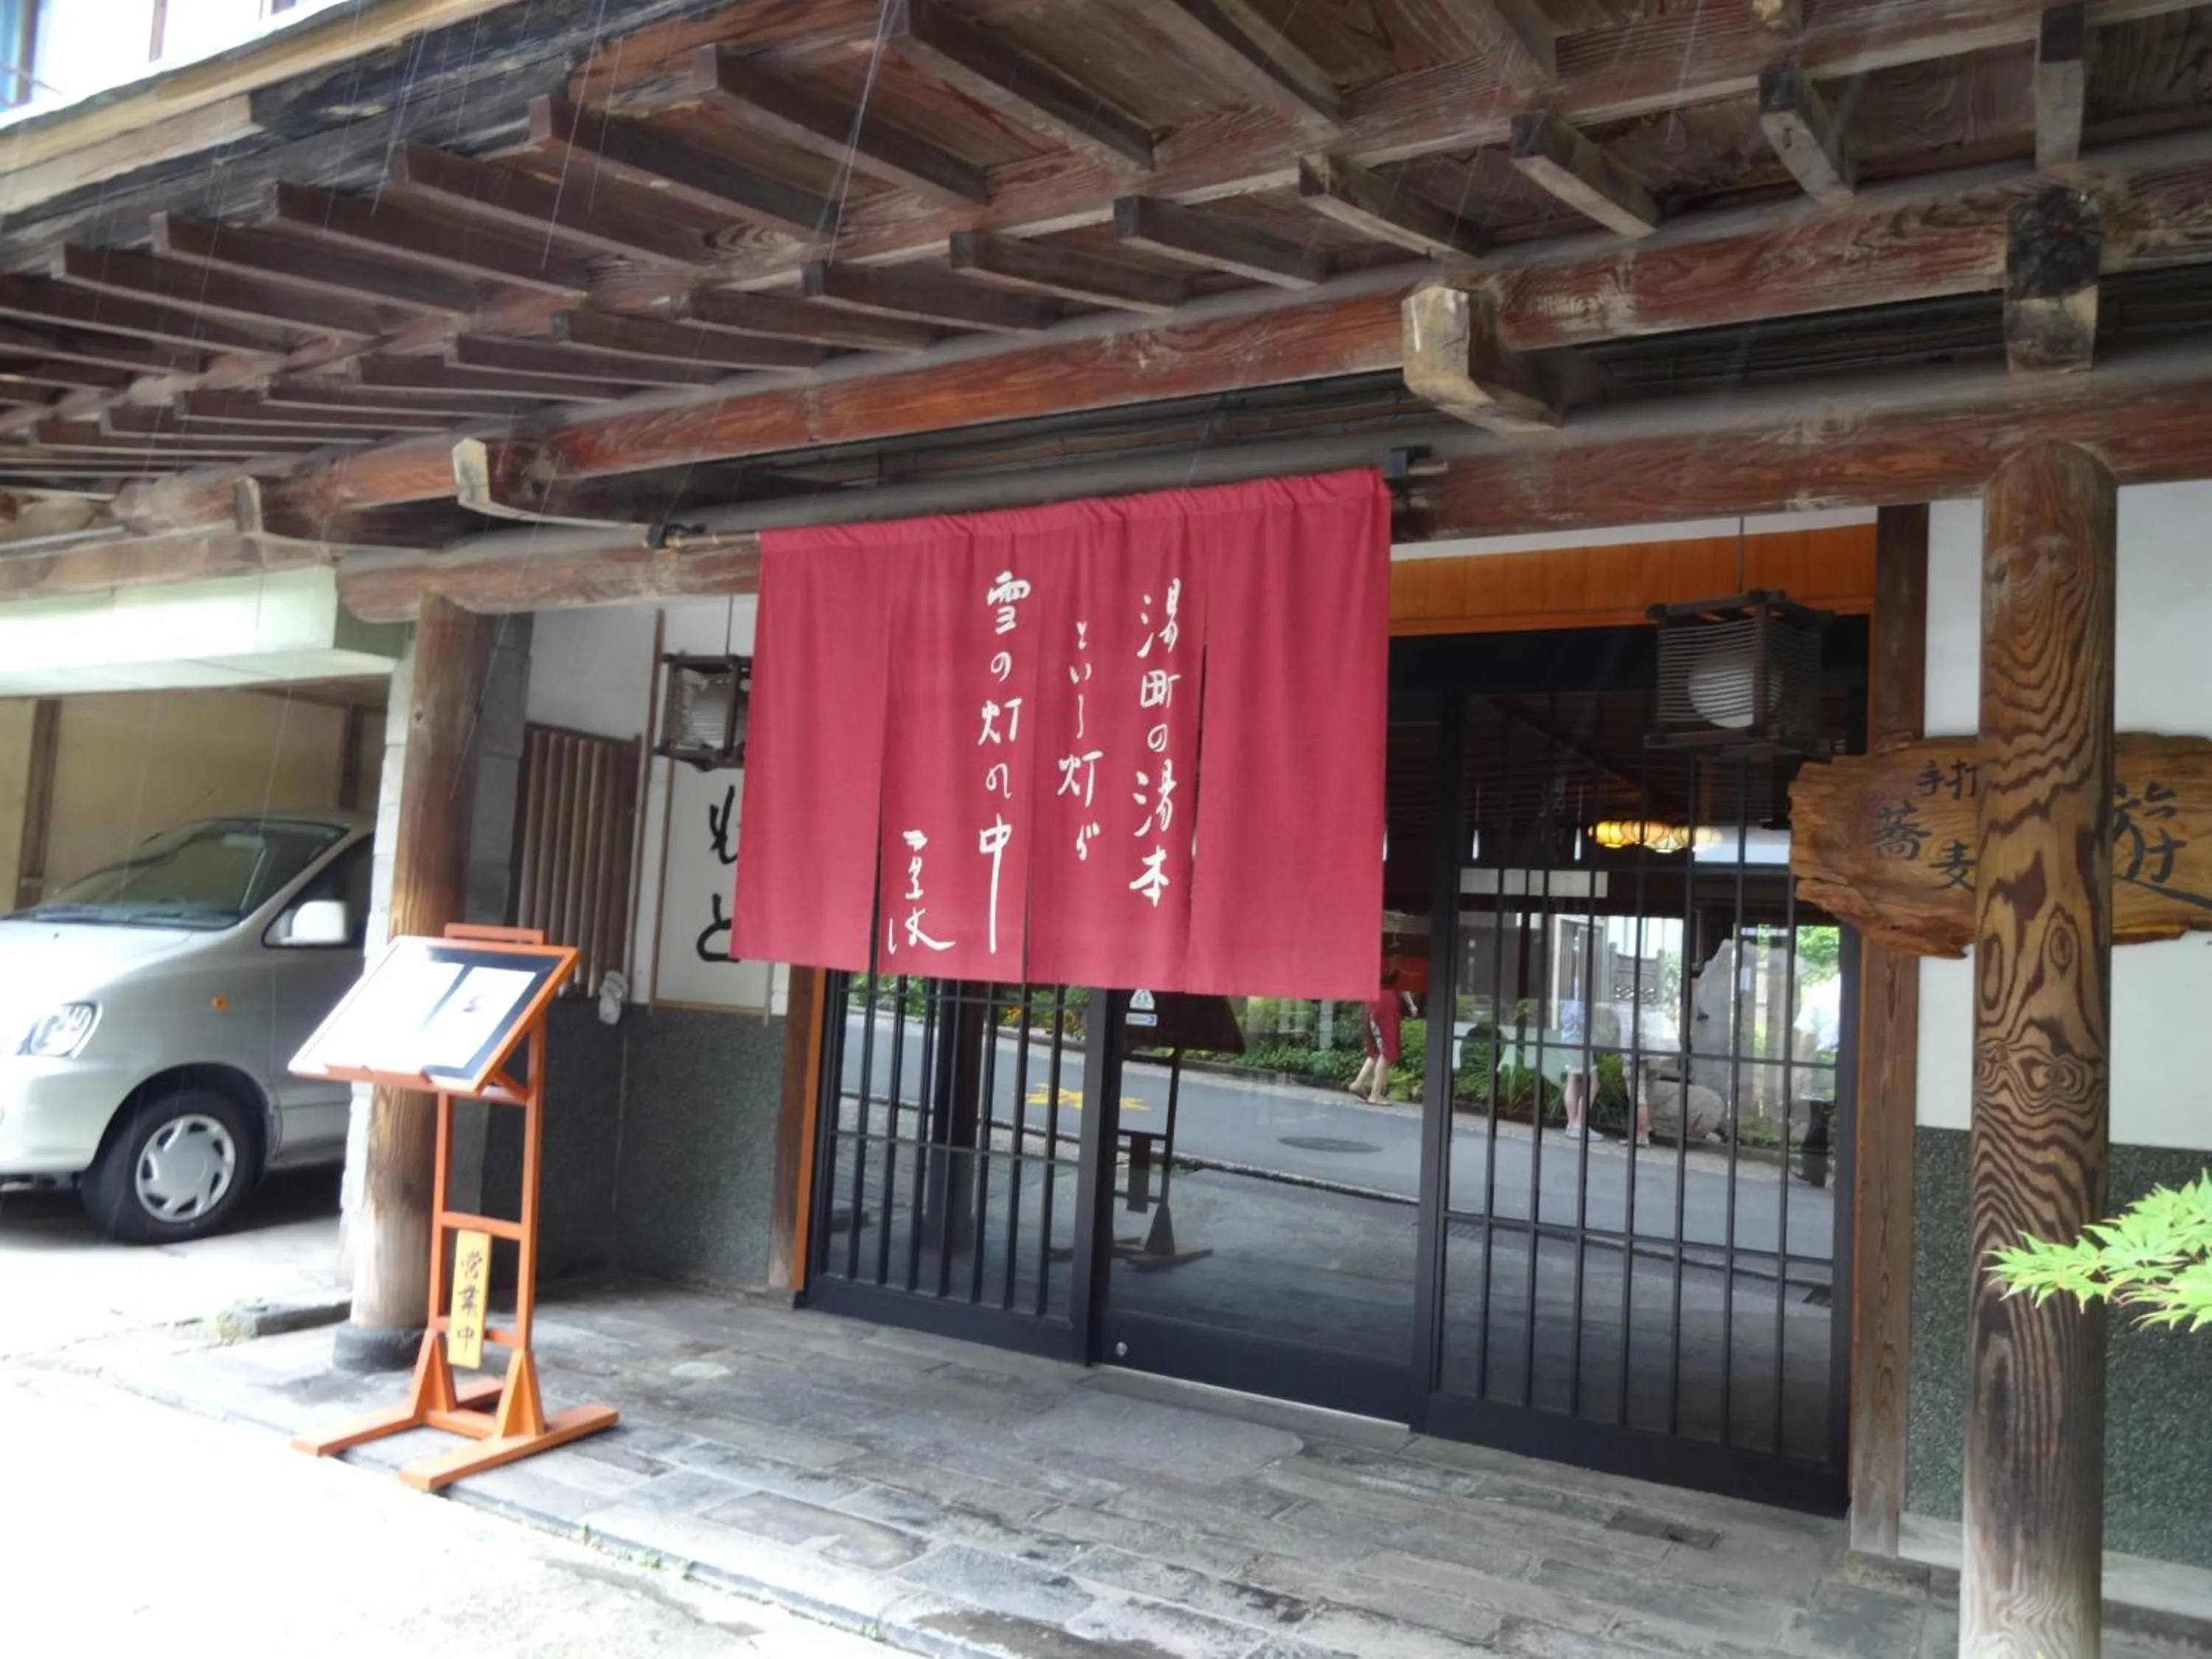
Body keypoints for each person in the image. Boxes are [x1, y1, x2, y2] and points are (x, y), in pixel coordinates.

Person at [1348, 969, 1410, 1106]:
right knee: (1387, 1050)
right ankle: (1375, 1094)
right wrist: (1411, 1004)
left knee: (1377, 1049)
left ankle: (1359, 1083)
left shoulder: (1375, 960)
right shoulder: (1394, 963)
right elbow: (1403, 984)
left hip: (1372, 1002)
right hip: (1386, 1005)